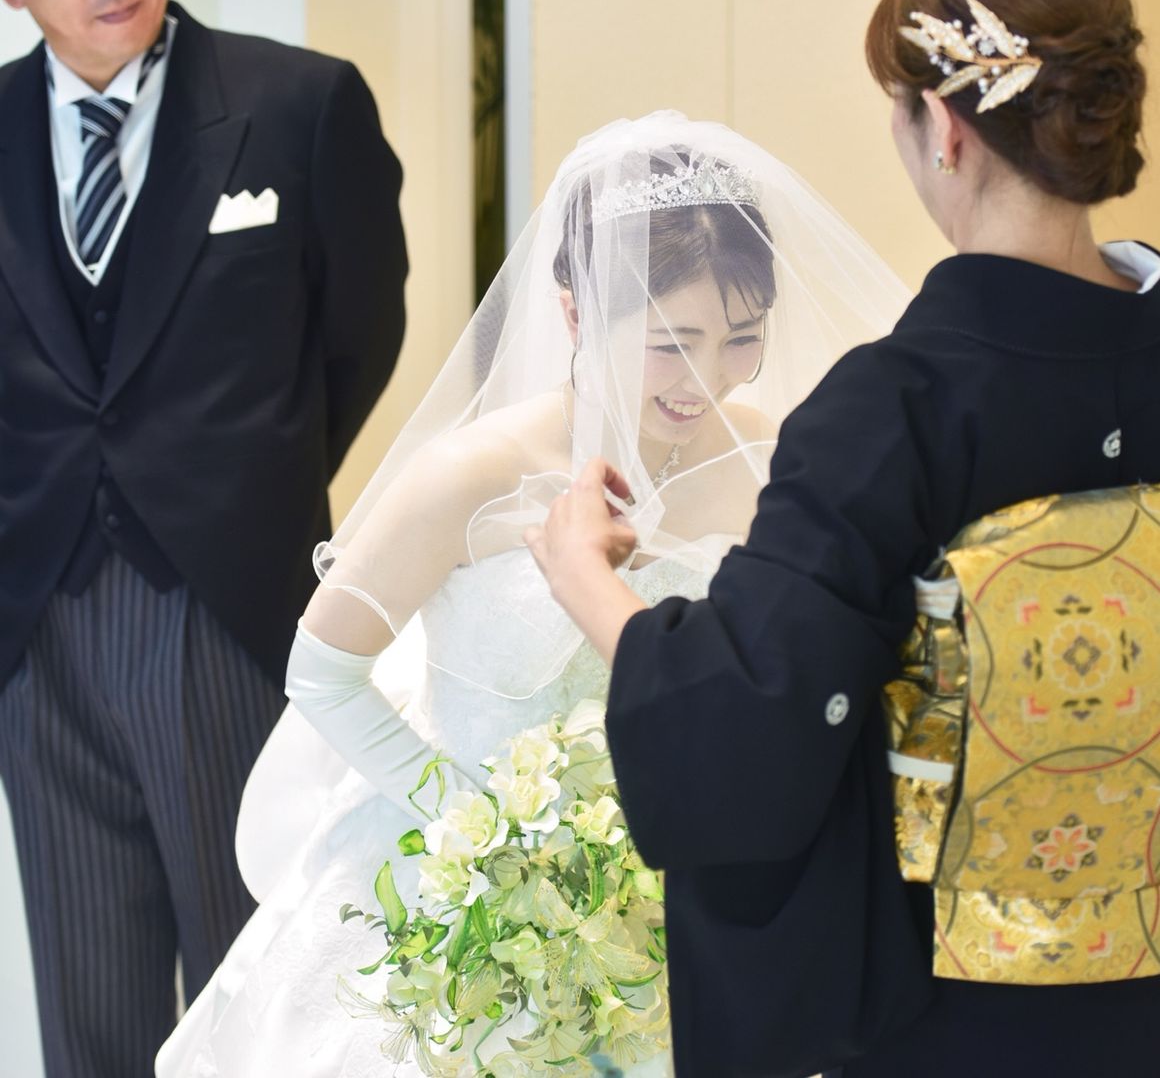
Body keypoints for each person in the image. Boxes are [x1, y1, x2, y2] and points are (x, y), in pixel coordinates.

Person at [525, 0, 1160, 1077]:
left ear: (945, 132)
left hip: (971, 1006)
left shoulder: (893, 410)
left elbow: (752, 724)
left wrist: (587, 584)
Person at [154, 111, 908, 1077]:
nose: (707, 379)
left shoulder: (769, 460)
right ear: (576, 313)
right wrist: (478, 827)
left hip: (684, 898)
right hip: (461, 884)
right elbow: (323, 672)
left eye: (741, 339)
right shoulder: (471, 475)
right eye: (672, 342)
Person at [0, 0, 407, 1075]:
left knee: (258, 978)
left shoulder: (300, 104)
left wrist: (244, 493)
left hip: (228, 605)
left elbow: (360, 333)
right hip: (36, 615)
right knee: (89, 996)